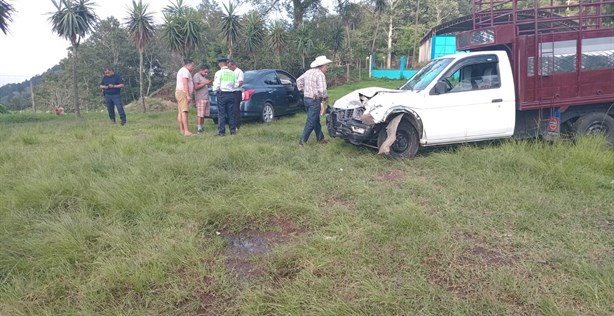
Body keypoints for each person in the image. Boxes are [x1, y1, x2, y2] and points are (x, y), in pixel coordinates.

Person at [297, 55, 332, 146]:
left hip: (306, 99)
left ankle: (320, 138)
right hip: (314, 100)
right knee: (311, 121)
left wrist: (303, 90)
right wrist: (325, 97)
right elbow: (322, 90)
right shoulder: (320, 75)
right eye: (326, 66)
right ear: (322, 66)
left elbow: (298, 81)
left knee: (315, 119)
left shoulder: (308, 72)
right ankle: (302, 142)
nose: (327, 67)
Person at [212, 57, 237, 136]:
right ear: (226, 63)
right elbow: (236, 84)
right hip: (231, 94)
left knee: (221, 114)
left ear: (220, 64)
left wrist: (214, 90)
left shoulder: (219, 73)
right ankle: (232, 131)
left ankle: (222, 132)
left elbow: (216, 85)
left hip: (222, 94)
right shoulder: (232, 73)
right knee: (231, 113)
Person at [175, 59, 195, 136]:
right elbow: (185, 83)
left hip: (179, 92)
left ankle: (182, 130)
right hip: (182, 92)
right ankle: (186, 131)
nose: (193, 67)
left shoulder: (182, 70)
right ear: (188, 65)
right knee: (184, 111)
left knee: (180, 111)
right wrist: (187, 95)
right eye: (192, 66)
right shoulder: (185, 71)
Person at [193, 63, 212, 134]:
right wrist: (205, 83)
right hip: (200, 98)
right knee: (200, 114)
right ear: (201, 70)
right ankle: (199, 128)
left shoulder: (203, 77)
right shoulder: (196, 76)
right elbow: (196, 87)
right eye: (205, 72)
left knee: (203, 114)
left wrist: (208, 82)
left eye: (207, 72)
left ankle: (202, 127)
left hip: (205, 98)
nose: (206, 73)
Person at [228, 59, 244, 129]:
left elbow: (240, 83)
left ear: (233, 65)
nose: (229, 68)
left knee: (236, 109)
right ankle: (232, 124)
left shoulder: (239, 71)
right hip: (230, 92)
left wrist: (233, 86)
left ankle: (237, 125)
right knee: (231, 109)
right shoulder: (230, 72)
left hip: (237, 92)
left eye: (230, 66)